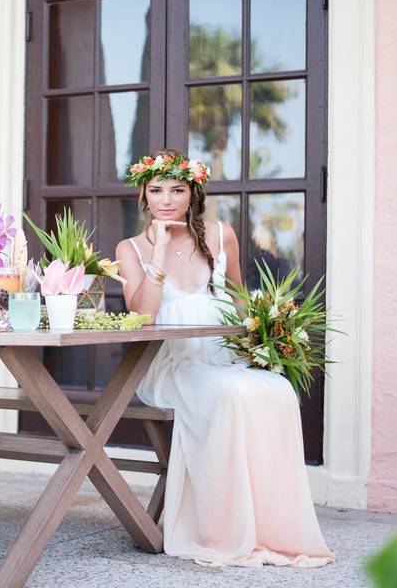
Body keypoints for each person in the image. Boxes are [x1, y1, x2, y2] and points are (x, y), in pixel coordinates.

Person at [115, 149, 335, 568]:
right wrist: (159, 250)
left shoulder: (220, 235)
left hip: (224, 357)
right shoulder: (130, 248)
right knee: (231, 395)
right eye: (156, 190)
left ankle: (273, 526)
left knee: (277, 389)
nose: (166, 199)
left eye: (177, 190)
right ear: (143, 196)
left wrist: (265, 339)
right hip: (172, 365)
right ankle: (222, 528)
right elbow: (141, 315)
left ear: (192, 193)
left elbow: (237, 299)